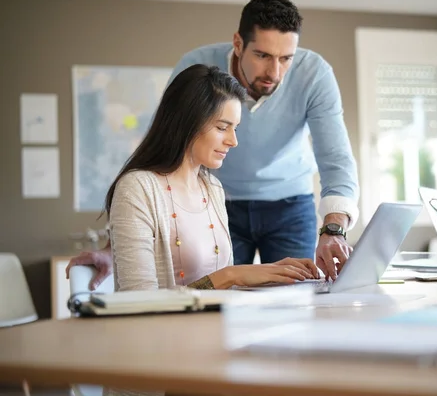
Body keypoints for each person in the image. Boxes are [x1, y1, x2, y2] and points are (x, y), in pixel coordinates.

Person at [66, 0, 359, 288]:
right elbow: (164, 142)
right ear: (238, 43)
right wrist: (118, 246)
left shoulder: (314, 74)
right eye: (262, 55)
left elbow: (336, 159)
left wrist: (334, 230)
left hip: (287, 203)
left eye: (286, 59)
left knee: (296, 298)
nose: (275, 73)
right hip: (217, 203)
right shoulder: (198, 68)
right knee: (223, 295)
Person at [103, 63, 317, 291]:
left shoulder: (211, 187)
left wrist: (270, 275)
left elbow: (221, 290)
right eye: (222, 127)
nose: (233, 141)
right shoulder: (137, 188)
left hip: (215, 325)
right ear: (187, 122)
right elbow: (139, 300)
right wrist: (232, 275)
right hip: (165, 328)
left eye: (235, 128)